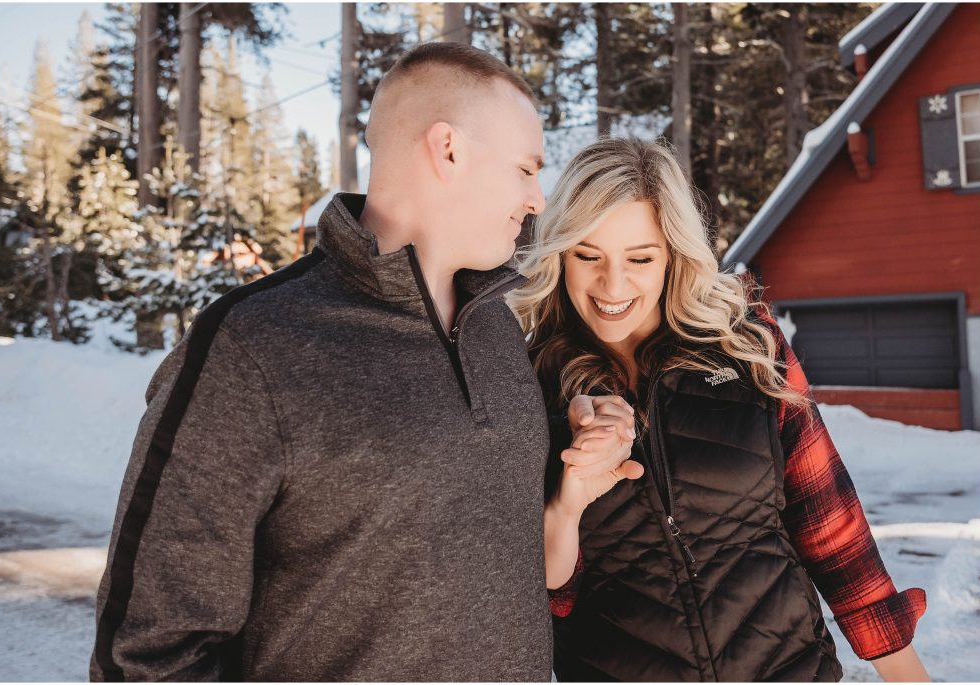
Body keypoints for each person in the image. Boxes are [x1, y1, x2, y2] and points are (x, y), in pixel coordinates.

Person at [89, 44, 636, 681]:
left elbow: (507, 561)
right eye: (524, 169)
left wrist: (572, 476)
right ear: (449, 149)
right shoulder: (255, 345)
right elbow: (146, 653)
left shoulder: (497, 329)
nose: (538, 199)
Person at [509, 137, 931, 682]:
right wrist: (569, 498)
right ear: (560, 255)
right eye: (587, 256)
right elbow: (548, 596)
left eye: (640, 258)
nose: (612, 285)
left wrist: (906, 672)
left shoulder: (748, 347)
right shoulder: (528, 379)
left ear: (673, 255)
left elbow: (829, 523)